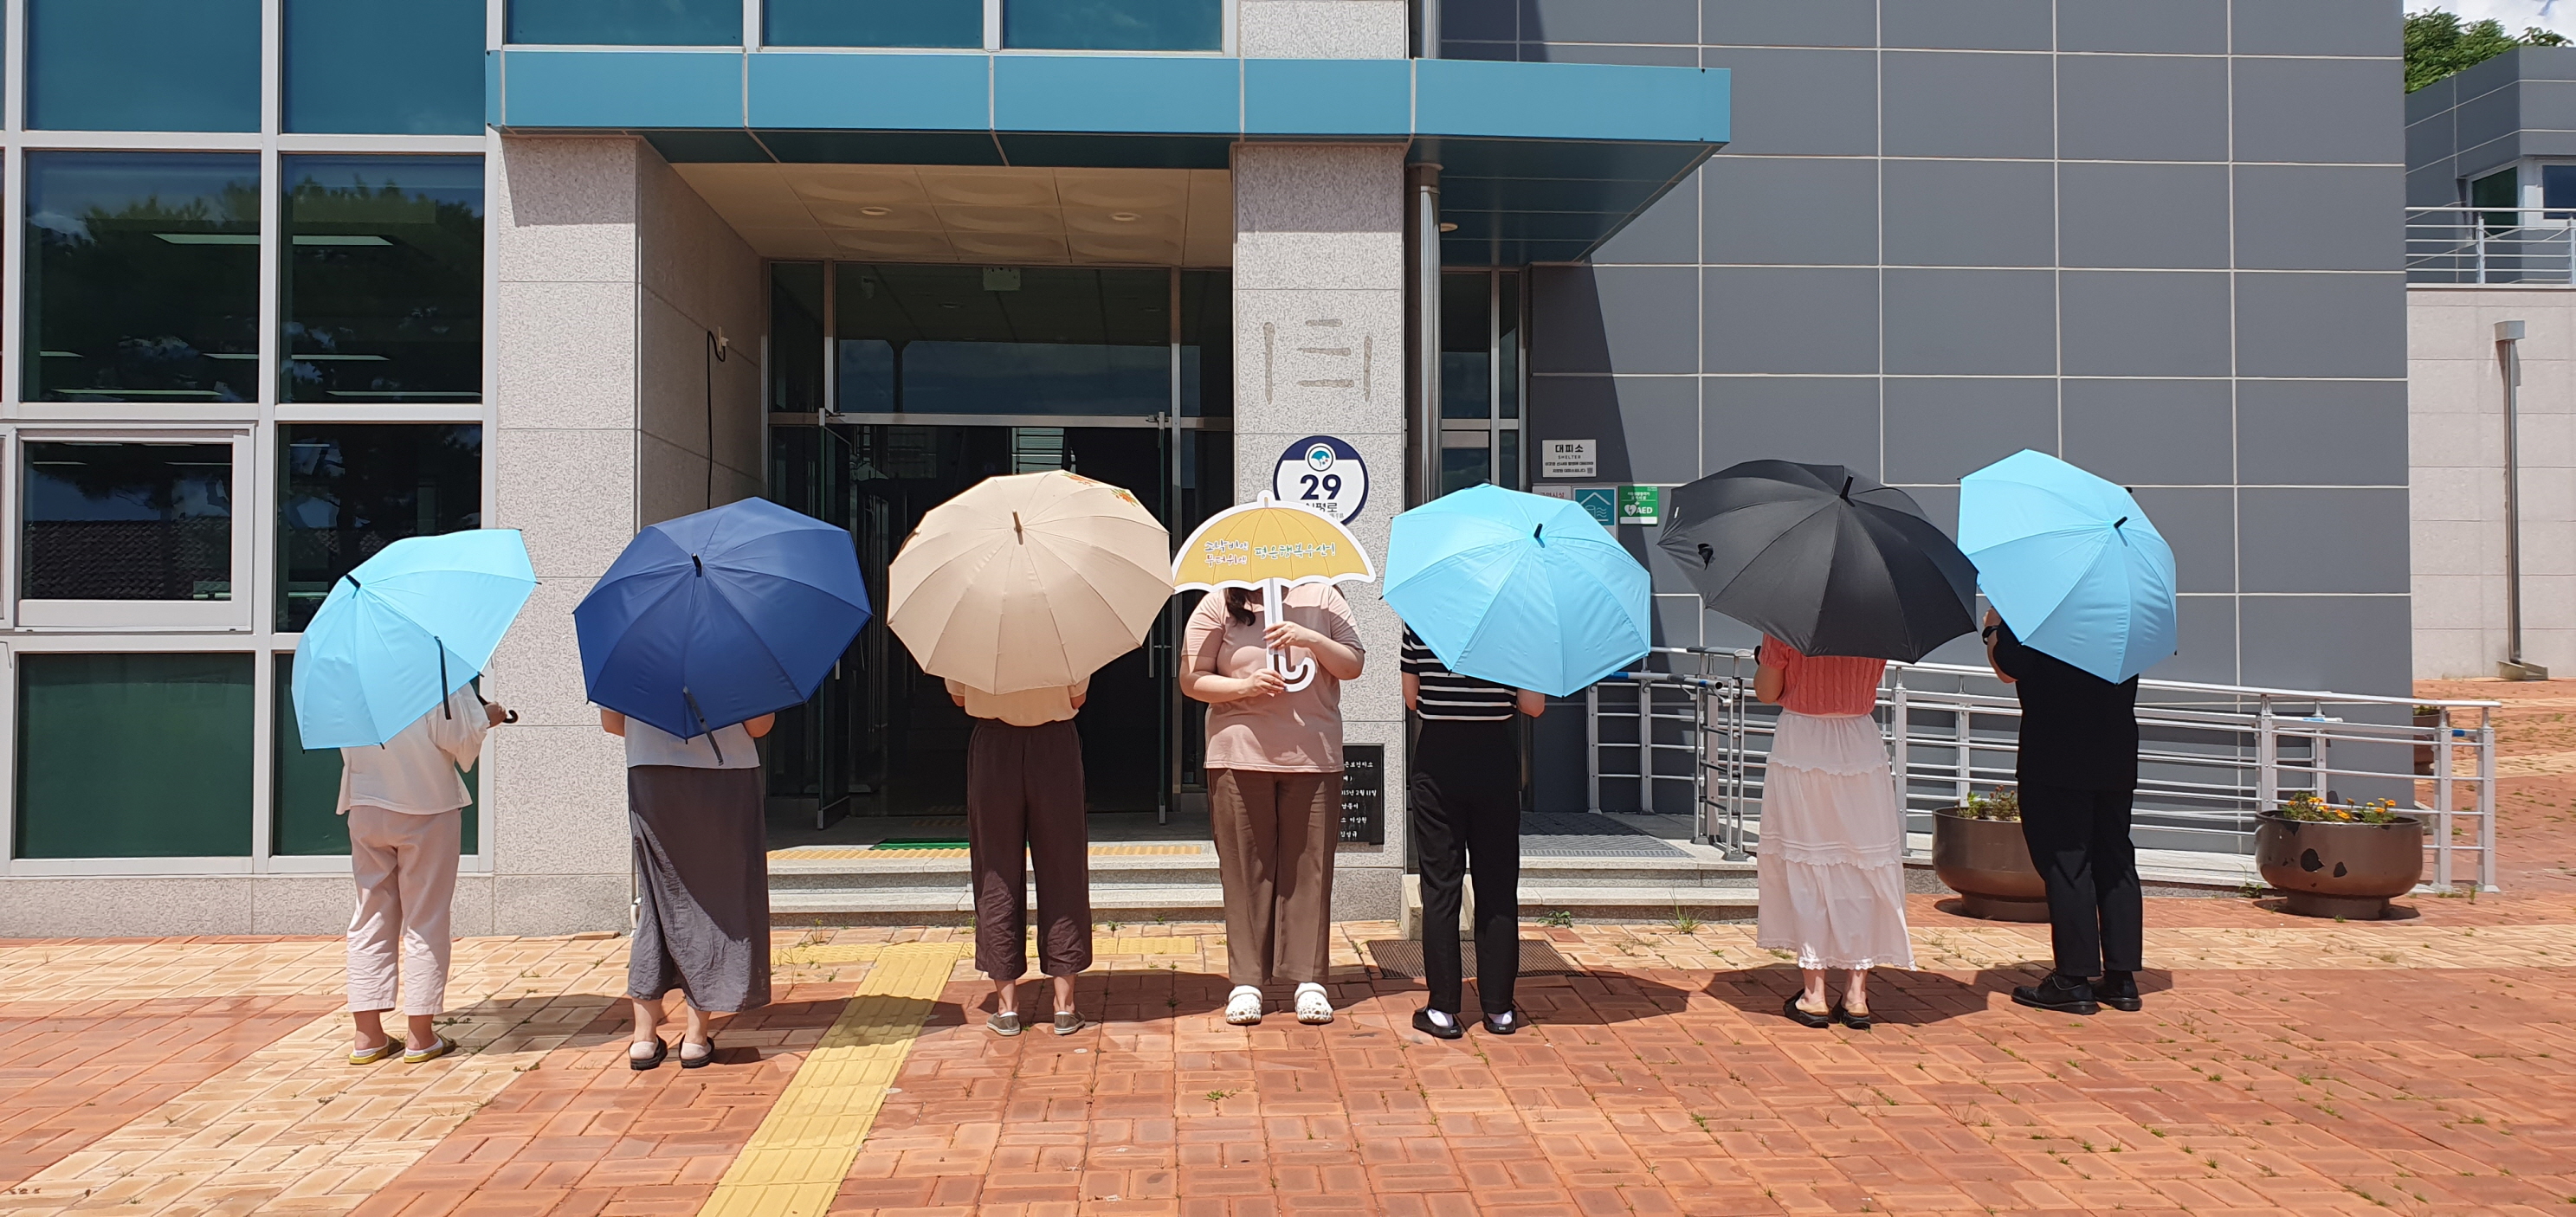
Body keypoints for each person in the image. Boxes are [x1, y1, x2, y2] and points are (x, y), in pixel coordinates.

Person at [1181, 582, 1365, 1026]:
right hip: (1239, 752)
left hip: (1314, 753)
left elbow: (1353, 664)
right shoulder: (1220, 601)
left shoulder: (1323, 597)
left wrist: (1311, 638)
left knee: (1310, 867)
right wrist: (1243, 686)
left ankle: (1309, 980)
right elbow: (1192, 679)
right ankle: (1247, 982)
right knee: (1245, 867)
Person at [1983, 608, 2144, 1015]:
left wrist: (1993, 629)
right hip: (2116, 751)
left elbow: (2007, 669)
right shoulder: (2123, 614)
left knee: (2067, 863)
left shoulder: (2041, 612)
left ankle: (2072, 979)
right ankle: (2122, 978)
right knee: (2116, 861)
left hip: (2056, 753)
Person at [343, 684, 508, 1066]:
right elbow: (458, 738)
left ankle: (367, 1036)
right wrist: (487, 717)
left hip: (365, 802)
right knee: (425, 918)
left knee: (369, 916)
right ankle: (421, 1035)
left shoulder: (349, 675)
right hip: (427, 804)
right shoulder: (434, 670)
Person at [1753, 635, 1911, 1030]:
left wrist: (1767, 660)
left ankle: (1814, 994)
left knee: (1807, 859)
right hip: (1859, 742)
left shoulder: (1787, 623)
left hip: (1803, 742)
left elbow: (1766, 692)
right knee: (1861, 862)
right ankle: (1856, 995)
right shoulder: (1878, 621)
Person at [604, 707, 775, 1069]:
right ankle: (695, 1039)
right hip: (725, 771)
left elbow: (612, 724)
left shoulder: (629, 665)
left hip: (650, 771)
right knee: (718, 900)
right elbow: (759, 726)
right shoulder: (735, 665)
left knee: (657, 899)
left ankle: (643, 1038)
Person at [1399, 625, 1544, 1040]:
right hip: (1493, 759)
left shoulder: (1420, 623)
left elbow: (1412, 699)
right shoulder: (1519, 626)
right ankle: (1499, 1009)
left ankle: (1442, 1009)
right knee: (1497, 885)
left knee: (1440, 886)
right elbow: (1533, 706)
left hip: (1437, 758)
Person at [950, 675, 1092, 1036]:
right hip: (1054, 743)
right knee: (1063, 867)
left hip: (993, 744)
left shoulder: (972, 643)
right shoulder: (1064, 642)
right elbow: (1077, 699)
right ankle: (1065, 1006)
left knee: (995, 870)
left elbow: (959, 699)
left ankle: (1007, 1007)